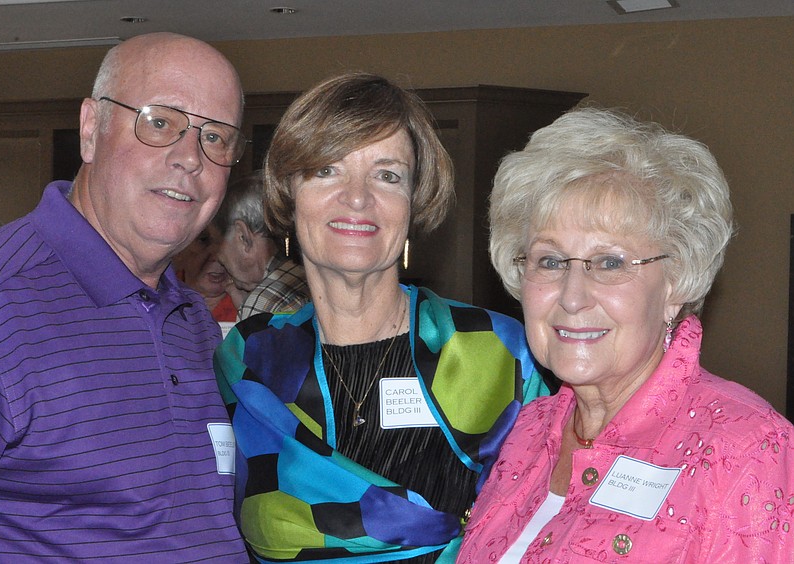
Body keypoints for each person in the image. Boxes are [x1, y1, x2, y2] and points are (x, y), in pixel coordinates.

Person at [213, 72, 550, 563]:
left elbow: (552, 530)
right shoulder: (248, 360)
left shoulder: (496, 353)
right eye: (327, 170)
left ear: (415, 202)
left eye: (388, 175)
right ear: (289, 192)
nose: (357, 197)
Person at [0, 32, 250, 562]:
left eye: (217, 138)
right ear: (91, 129)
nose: (190, 159)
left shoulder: (192, 320)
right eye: (160, 122)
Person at [457, 107, 794, 562]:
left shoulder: (748, 450)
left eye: (610, 263)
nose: (572, 297)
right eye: (550, 261)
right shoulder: (529, 430)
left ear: (677, 282)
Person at [214, 170, 309, 320]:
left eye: (218, 242)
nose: (218, 257)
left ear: (243, 237)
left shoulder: (263, 303)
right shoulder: (310, 279)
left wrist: (249, 310)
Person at [174, 221, 239, 322]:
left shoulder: (248, 304)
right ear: (180, 249)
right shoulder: (158, 294)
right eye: (203, 240)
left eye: (227, 243)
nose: (217, 257)